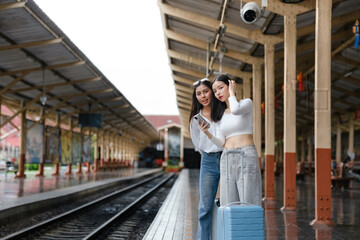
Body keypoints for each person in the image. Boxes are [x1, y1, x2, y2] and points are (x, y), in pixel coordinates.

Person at [198, 74, 262, 206]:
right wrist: (207, 132)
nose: (217, 93)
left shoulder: (246, 103)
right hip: (226, 158)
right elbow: (221, 143)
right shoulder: (220, 116)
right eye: (214, 91)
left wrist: (232, 93)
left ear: (230, 85)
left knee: (249, 200)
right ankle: (229, 227)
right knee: (228, 203)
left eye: (220, 88)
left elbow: (236, 110)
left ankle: (248, 227)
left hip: (246, 155)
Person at [189, 78, 223, 240]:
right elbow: (198, 145)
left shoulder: (224, 111)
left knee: (231, 202)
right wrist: (210, 155)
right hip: (208, 161)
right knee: (205, 207)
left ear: (213, 91)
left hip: (227, 158)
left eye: (205, 91)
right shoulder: (195, 120)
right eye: (198, 94)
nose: (203, 96)